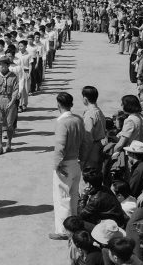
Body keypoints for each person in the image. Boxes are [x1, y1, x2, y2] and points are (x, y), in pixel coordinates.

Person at [50, 92, 86, 240]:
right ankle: (74, 227)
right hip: (76, 163)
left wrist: (56, 165)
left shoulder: (62, 122)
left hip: (64, 164)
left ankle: (64, 231)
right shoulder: (78, 120)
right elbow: (84, 142)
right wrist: (82, 160)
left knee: (62, 199)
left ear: (58, 105)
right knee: (73, 197)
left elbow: (60, 146)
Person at [0, 55, 19, 154]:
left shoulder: (13, 76)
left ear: (7, 66)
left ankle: (9, 143)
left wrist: (12, 102)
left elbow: (15, 90)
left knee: (9, 125)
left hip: (10, 100)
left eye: (3, 65)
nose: (1, 67)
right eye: (0, 65)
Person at [82, 86, 107, 169]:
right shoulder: (98, 111)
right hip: (100, 144)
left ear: (85, 99)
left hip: (92, 149)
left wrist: (83, 157)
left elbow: (87, 137)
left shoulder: (90, 114)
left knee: (91, 172)